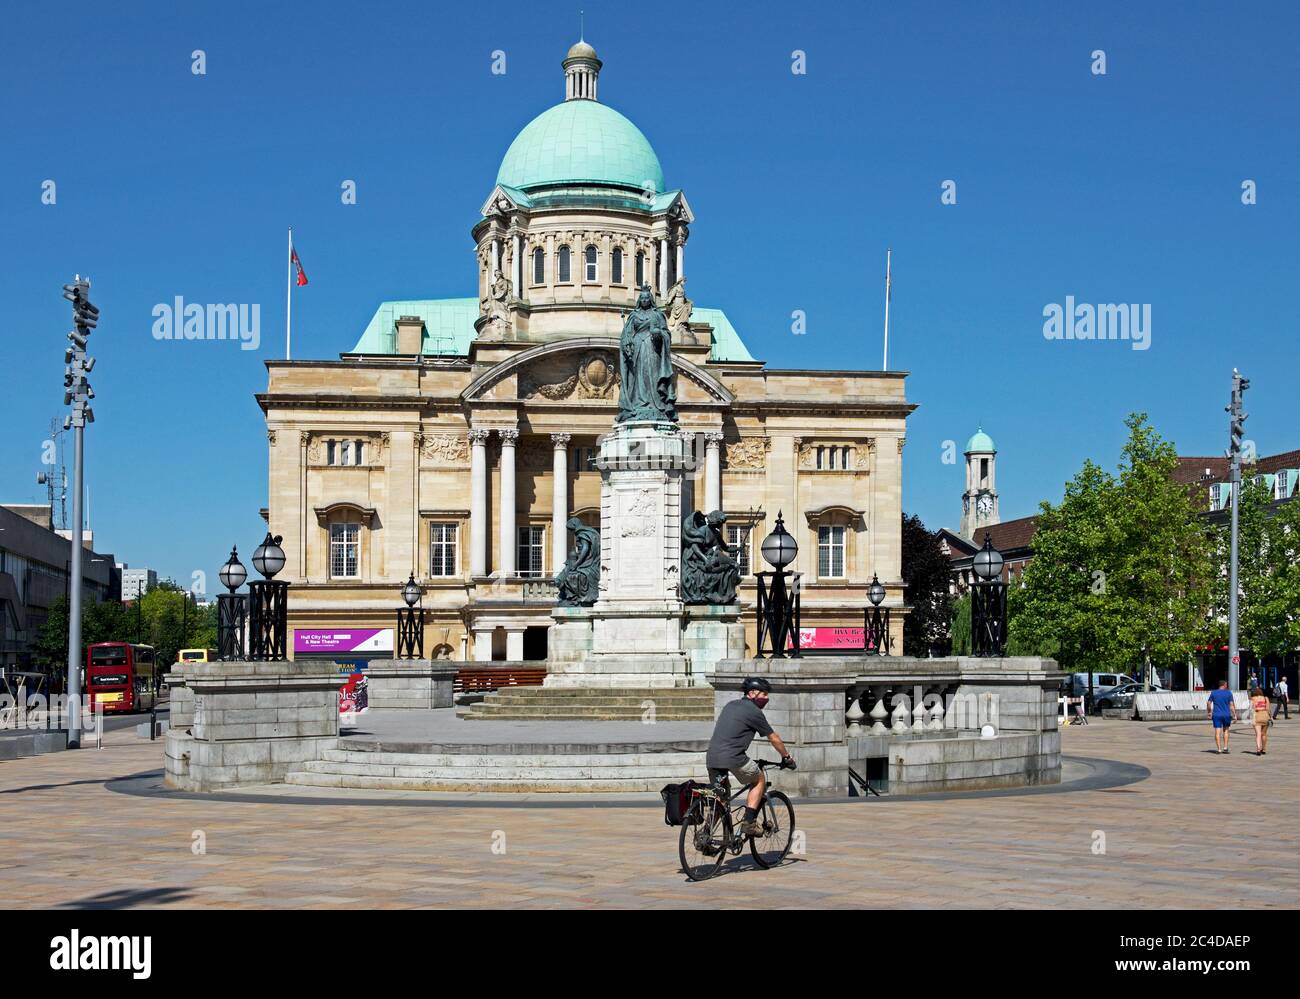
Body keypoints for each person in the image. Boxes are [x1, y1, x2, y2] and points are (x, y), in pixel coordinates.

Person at [705, 677, 795, 836]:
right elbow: (774, 738)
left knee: (722, 799)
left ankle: (705, 835)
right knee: (759, 779)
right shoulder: (754, 712)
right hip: (733, 757)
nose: (767, 698)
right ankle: (749, 823)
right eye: (764, 694)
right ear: (752, 693)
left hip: (712, 757)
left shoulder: (730, 705)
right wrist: (787, 757)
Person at [1206, 679, 1238, 754]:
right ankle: (1225, 747)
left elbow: (1208, 703)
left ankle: (1219, 749)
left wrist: (1209, 712)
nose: (1227, 686)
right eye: (1226, 685)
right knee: (1226, 730)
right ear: (1224, 685)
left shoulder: (1214, 693)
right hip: (1226, 714)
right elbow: (1231, 705)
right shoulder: (1229, 693)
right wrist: (1234, 715)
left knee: (1217, 731)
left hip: (1216, 714)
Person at [1250, 687, 1271, 755]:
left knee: (1258, 734)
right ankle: (1264, 749)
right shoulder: (1265, 698)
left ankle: (1258, 749)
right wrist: (1270, 717)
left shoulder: (1253, 698)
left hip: (1257, 715)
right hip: (1265, 715)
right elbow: (1268, 709)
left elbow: (1251, 708)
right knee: (1264, 734)